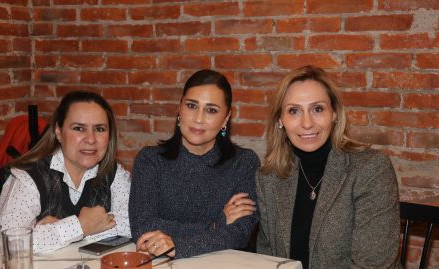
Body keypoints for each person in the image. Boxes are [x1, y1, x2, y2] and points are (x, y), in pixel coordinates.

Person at [256, 66, 399, 268]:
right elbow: (266, 259)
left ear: (334, 113)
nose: (307, 123)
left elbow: (372, 264)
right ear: (281, 120)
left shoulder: (370, 169)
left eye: (317, 109)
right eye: (294, 111)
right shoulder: (269, 177)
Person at [129, 69, 259, 258]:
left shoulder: (244, 163)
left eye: (211, 110)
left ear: (226, 118)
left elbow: (239, 234)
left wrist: (177, 246)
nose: (198, 118)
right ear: (179, 108)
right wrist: (216, 224)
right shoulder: (150, 160)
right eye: (191, 105)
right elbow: (143, 227)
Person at [0, 91, 131, 253]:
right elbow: (6, 243)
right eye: (79, 128)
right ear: (58, 132)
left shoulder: (114, 173)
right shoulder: (28, 177)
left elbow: (134, 222)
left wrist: (72, 228)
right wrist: (81, 225)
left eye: (100, 129)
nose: (91, 139)